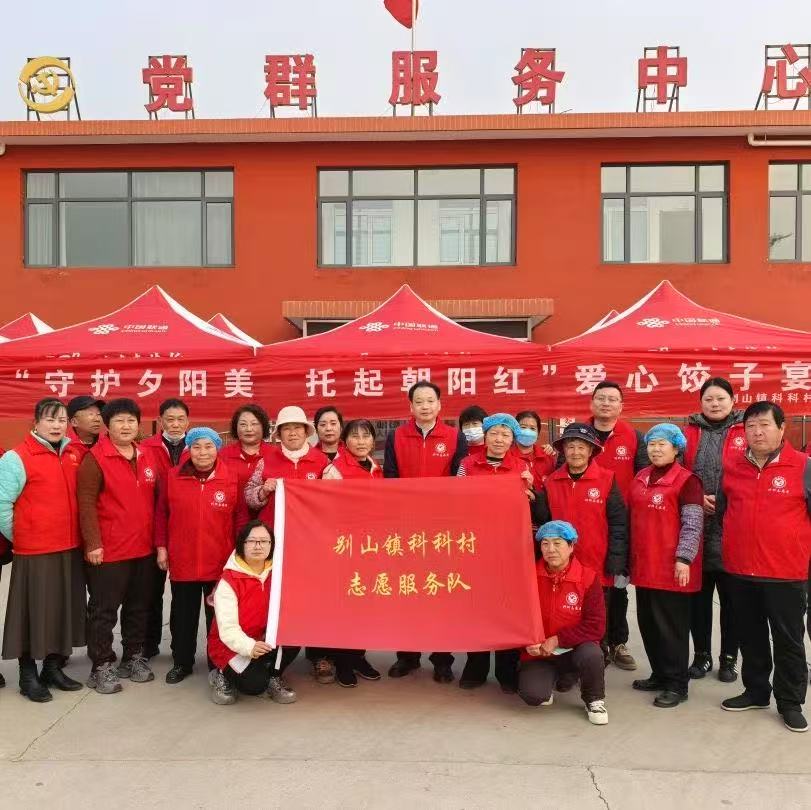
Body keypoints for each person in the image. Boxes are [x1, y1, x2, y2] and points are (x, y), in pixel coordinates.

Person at [717, 402, 811, 733]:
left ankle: (790, 702)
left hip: (786, 572)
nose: (757, 432)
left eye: (765, 425)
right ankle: (756, 691)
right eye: (751, 426)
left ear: (782, 429)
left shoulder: (803, 466)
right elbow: (724, 511)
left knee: (788, 640)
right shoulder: (733, 467)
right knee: (751, 635)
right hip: (741, 570)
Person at [0, 399, 86, 702]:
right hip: (34, 551)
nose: (56, 425)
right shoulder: (16, 458)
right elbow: (2, 506)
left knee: (62, 611)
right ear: (35, 423)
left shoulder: (73, 454)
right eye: (50, 419)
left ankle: (52, 668)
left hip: (69, 547)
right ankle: (28, 675)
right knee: (31, 613)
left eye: (61, 420)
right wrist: (24, 535)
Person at [383, 381, 468, 683]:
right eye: (418, 401)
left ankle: (442, 660)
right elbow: (390, 478)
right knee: (407, 591)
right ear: (410, 406)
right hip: (406, 527)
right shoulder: (396, 436)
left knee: (441, 593)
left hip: (441, 527)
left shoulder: (455, 437)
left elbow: (460, 480)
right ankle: (407, 656)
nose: (425, 406)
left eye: (430, 400)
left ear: (439, 405)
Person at [78, 398, 158, 694]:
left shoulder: (147, 455)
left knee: (138, 608)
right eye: (119, 421)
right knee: (104, 611)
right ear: (107, 426)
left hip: (144, 548)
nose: (126, 426)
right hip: (109, 551)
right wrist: (93, 543)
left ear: (138, 424)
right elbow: (86, 504)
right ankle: (101, 665)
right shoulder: (95, 459)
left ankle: (133, 656)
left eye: (131, 421)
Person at [245, 406, 330, 683]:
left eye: (297, 428)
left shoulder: (321, 462)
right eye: (286, 429)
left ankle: (318, 656)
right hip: (274, 546)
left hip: (310, 547)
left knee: (314, 600)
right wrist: (263, 489)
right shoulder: (265, 461)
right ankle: (272, 656)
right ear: (279, 434)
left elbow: (334, 502)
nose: (292, 433)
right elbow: (249, 498)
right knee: (275, 602)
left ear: (306, 432)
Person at [456, 413, 539, 692]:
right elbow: (455, 498)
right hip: (476, 546)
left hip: (510, 548)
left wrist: (530, 492)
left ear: (513, 438)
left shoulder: (522, 467)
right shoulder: (467, 465)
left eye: (505, 434)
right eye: (494, 433)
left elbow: (531, 504)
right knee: (476, 607)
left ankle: (506, 670)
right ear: (486, 435)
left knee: (507, 607)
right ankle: (476, 667)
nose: (499, 439)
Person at [537, 422, 628, 670]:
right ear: (563, 450)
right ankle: (564, 664)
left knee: (597, 617)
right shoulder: (551, 481)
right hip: (560, 565)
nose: (575, 452)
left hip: (597, 562)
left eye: (581, 447)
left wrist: (616, 560)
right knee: (562, 614)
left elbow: (618, 522)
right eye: (570, 446)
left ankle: (596, 662)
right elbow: (543, 520)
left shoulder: (607, 479)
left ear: (591, 451)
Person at [155, 427, 238, 685]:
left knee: (217, 617)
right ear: (189, 449)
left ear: (217, 449)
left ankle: (217, 663)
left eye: (209, 446)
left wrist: (237, 555)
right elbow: (161, 514)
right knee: (183, 616)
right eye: (197, 447)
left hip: (219, 560)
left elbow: (239, 519)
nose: (203, 452)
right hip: (184, 558)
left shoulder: (230, 477)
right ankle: (182, 662)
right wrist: (162, 546)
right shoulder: (173, 477)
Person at [628, 424, 704, 709]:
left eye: (662, 444)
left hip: (672, 569)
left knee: (671, 629)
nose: (656, 449)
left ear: (676, 448)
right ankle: (660, 674)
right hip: (644, 566)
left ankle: (677, 684)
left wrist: (684, 558)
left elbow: (693, 523)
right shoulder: (640, 477)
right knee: (648, 624)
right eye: (652, 444)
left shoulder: (687, 481)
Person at [682, 377, 744, 683]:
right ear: (700, 403)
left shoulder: (745, 431)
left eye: (720, 398)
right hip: (698, 529)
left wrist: (725, 499)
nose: (715, 404)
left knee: (732, 602)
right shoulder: (688, 433)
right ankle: (702, 655)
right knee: (699, 600)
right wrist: (696, 497)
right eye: (708, 399)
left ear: (733, 400)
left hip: (734, 528)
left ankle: (729, 658)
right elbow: (679, 473)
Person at [518, 521, 608, 725]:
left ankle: (594, 699)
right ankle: (553, 680)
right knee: (533, 696)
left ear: (571, 546)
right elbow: (517, 617)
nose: (551, 549)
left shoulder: (587, 578)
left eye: (557, 543)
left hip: (574, 649)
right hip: (540, 653)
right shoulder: (528, 576)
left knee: (592, 654)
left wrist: (558, 639)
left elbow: (596, 626)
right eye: (545, 544)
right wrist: (526, 642)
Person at [588, 381, 649, 672]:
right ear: (592, 403)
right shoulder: (579, 434)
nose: (606, 403)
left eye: (612, 399)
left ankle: (618, 642)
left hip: (620, 525)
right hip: (586, 521)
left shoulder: (634, 437)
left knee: (618, 585)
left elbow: (645, 477)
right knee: (590, 586)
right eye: (601, 398)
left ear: (621, 406)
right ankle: (594, 643)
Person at [207, 521, 299, 705]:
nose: (258, 546)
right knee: (255, 685)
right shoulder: (229, 581)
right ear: (242, 544)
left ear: (272, 545)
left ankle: (274, 676)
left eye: (264, 541)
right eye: (252, 541)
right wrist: (249, 646)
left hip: (263, 639)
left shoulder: (277, 574)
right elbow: (228, 629)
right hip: (230, 645)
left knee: (293, 638)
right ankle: (221, 674)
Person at [322, 419, 384, 687]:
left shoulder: (375, 467)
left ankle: (358, 656)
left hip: (371, 548)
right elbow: (326, 511)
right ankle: (343, 662)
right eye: (355, 436)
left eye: (366, 436)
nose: (361, 441)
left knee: (365, 605)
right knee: (344, 606)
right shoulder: (334, 470)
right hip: (344, 548)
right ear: (344, 441)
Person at [140, 398, 191, 660]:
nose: (175, 424)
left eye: (180, 419)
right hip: (153, 526)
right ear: (160, 421)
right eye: (170, 419)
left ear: (188, 422)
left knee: (183, 593)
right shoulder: (145, 448)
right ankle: (148, 645)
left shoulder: (198, 447)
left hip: (187, 528)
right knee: (151, 592)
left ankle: (180, 651)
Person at [219, 404, 273, 533]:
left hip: (265, 525)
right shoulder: (222, 455)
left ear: (263, 426)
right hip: (229, 523)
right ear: (235, 427)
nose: (249, 429)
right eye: (243, 424)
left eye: (254, 424)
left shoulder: (275, 455)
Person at [514, 410, 556, 491]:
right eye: (523, 427)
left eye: (532, 428)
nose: (527, 432)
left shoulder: (547, 456)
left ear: (538, 433)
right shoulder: (506, 456)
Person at [66, 395, 105, 460]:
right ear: (74, 422)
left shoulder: (108, 443)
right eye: (90, 414)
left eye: (98, 414)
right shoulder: (64, 447)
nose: (97, 419)